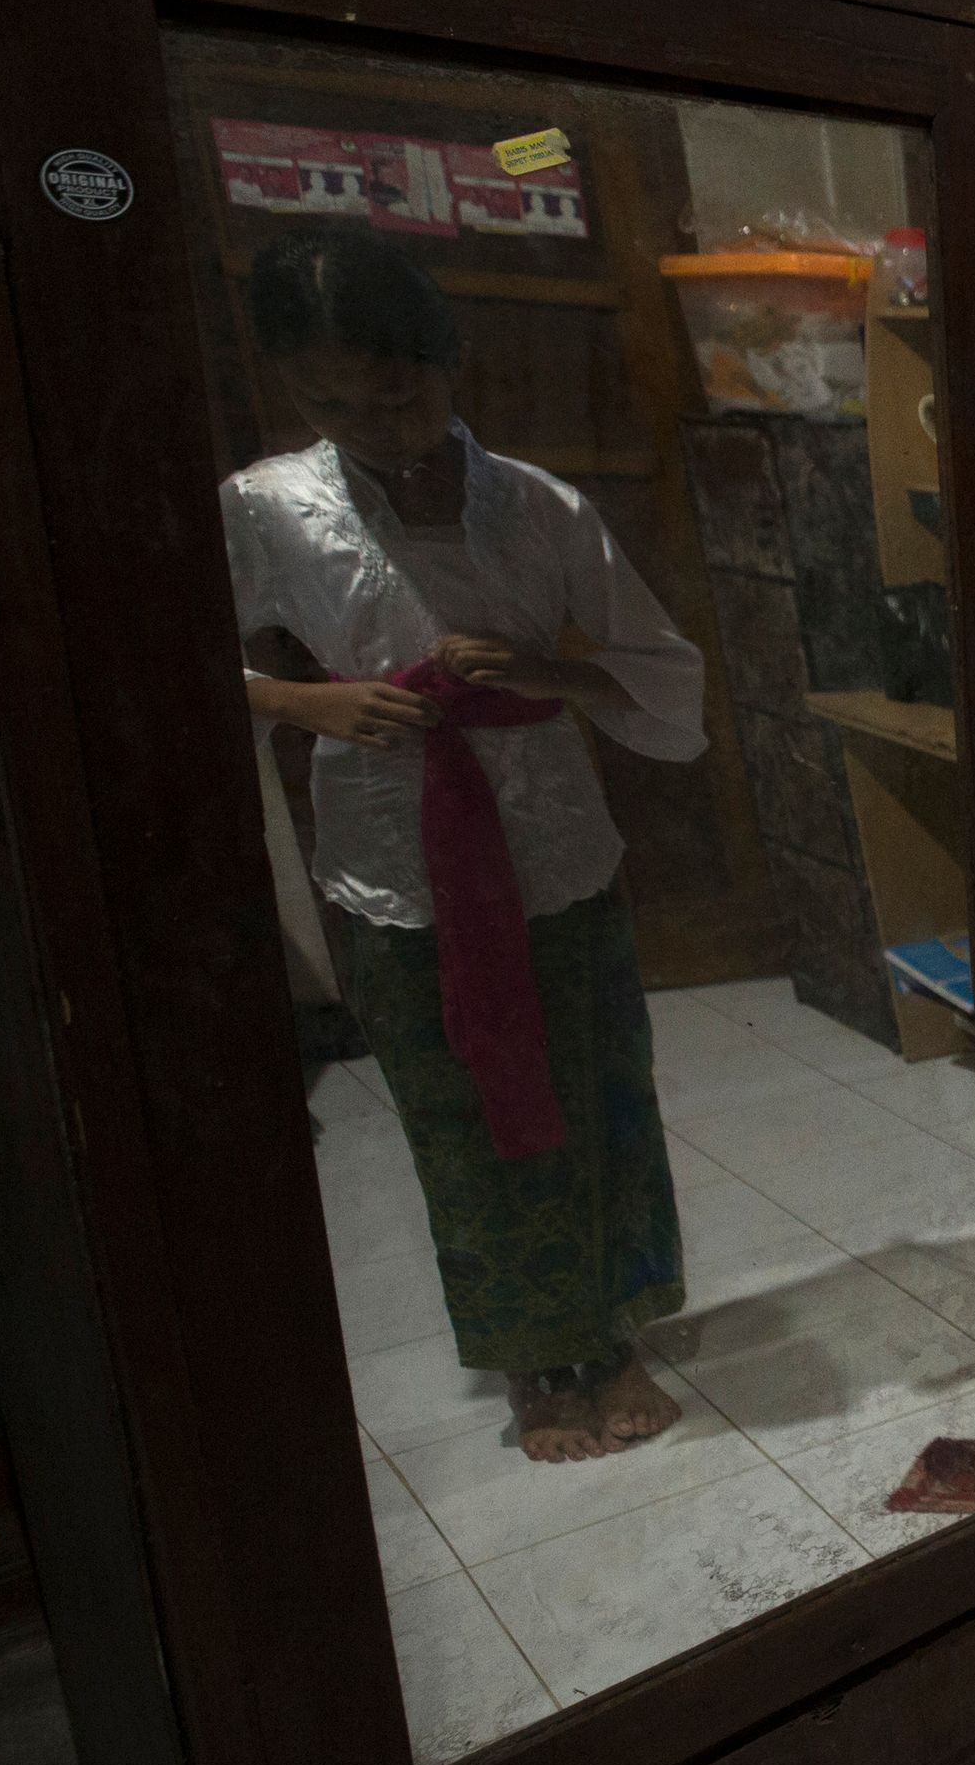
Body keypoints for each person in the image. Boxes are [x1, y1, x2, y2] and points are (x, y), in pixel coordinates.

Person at [221, 232, 710, 1465]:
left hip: (553, 847)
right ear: (290, 389)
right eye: (329, 398)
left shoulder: (540, 507)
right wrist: (306, 703)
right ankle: (534, 1362)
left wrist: (544, 668)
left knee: (601, 1094)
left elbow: (666, 680)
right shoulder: (268, 509)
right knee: (462, 1117)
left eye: (401, 388)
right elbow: (160, 654)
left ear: (447, 363)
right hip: (398, 862)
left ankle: (614, 1335)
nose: (377, 420)